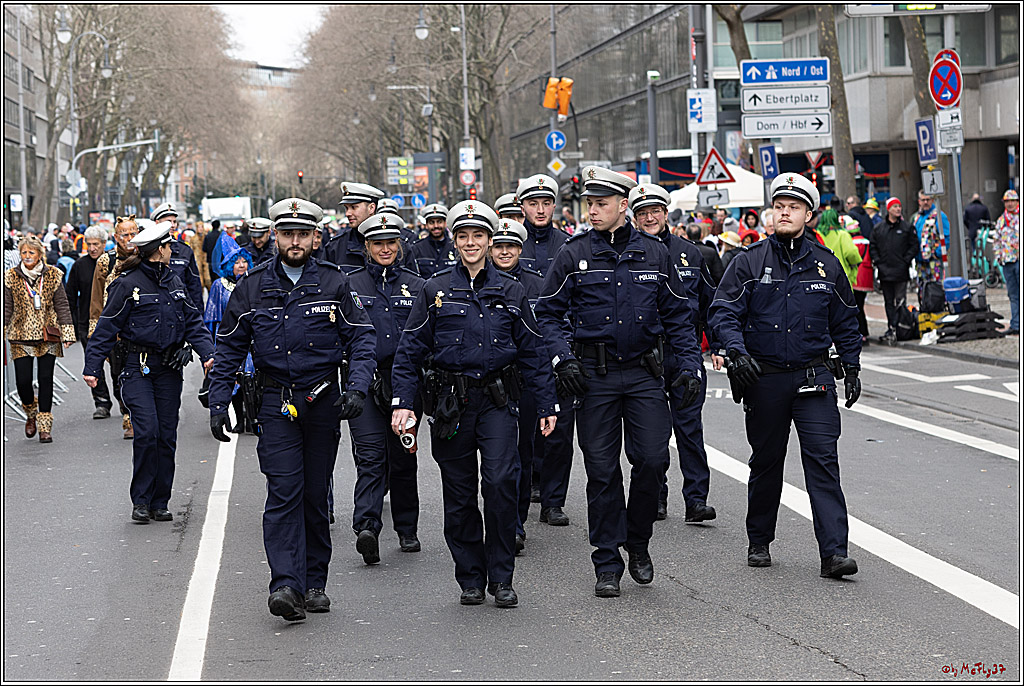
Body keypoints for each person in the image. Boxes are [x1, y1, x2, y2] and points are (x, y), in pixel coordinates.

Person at [534, 166, 701, 598]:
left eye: (601, 203)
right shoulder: (572, 254)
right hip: (594, 378)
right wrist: (563, 360)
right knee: (603, 472)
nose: (592, 210)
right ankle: (606, 560)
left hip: (644, 374)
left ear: (623, 206)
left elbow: (680, 315)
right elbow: (547, 314)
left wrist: (689, 366)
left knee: (651, 461)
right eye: (589, 203)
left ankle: (638, 541)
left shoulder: (654, 253)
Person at [208, 197, 376, 621]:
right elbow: (229, 347)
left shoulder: (335, 283)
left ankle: (314, 582)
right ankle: (285, 583)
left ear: (315, 237)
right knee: (284, 491)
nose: (295, 241)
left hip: (322, 401)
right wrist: (217, 400)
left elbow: (362, 339)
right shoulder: (252, 286)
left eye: (303, 234)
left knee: (315, 493)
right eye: (288, 234)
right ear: (277, 237)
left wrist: (356, 388)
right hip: (274, 402)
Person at [391, 200, 558, 609]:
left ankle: (501, 576)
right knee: (460, 493)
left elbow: (534, 352)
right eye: (463, 236)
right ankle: (470, 575)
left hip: (499, 402)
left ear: (490, 240)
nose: (471, 243)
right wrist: (404, 404)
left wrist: (548, 404)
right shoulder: (435, 291)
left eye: (478, 236)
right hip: (451, 404)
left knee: (501, 483)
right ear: (454, 240)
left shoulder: (512, 289)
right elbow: (410, 351)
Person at [708, 172, 862, 579]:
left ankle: (834, 553)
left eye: (793, 207)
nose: (784, 213)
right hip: (766, 378)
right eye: (779, 207)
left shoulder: (826, 266)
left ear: (808, 214)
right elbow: (722, 312)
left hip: (814, 377)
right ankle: (759, 539)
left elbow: (846, 320)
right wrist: (736, 353)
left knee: (823, 462)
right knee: (767, 462)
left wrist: (852, 364)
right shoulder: (750, 261)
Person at [83, 219, 215, 523]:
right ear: (159, 250)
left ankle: (160, 501)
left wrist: (207, 353)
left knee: (167, 436)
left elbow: (192, 321)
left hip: (168, 369)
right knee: (147, 432)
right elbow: (107, 326)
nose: (172, 250)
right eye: (168, 245)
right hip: (137, 368)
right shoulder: (126, 284)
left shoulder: (173, 280)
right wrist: (92, 367)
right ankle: (140, 499)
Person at [628, 184, 716, 523]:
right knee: (651, 432)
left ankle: (696, 500)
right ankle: (657, 497)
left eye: (655, 211)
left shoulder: (691, 253)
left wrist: (718, 345)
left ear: (666, 214)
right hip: (646, 355)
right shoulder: (630, 253)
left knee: (689, 429)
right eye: (642, 213)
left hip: (683, 351)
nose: (649, 217)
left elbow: (709, 302)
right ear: (633, 217)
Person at [342, 212, 427, 563]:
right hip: (364, 379)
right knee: (371, 457)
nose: (385, 249)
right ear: (367, 247)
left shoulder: (417, 285)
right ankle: (367, 527)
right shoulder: (349, 284)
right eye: (378, 243)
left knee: (403, 456)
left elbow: (427, 337)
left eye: (391, 242)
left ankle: (406, 529)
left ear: (400, 245)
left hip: (405, 381)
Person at [488, 218, 576, 552]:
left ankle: (516, 523)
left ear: (521, 249)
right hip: (491, 382)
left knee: (522, 455)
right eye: (499, 245)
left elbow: (556, 325)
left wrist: (560, 362)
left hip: (526, 380)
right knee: (499, 457)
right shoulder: (478, 282)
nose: (505, 251)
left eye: (511, 246)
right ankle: (500, 518)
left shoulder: (539, 285)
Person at [4, 235, 76, 443]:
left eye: (31, 253)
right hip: (20, 334)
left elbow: (62, 304)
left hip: (48, 333)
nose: (27, 256)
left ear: (40, 254)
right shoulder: (10, 276)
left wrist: (68, 333)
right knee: (23, 382)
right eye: (24, 252)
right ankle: (30, 412)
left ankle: (45, 426)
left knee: (45, 379)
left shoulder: (53, 275)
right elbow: (6, 306)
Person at [89, 216, 140, 439]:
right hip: (116, 331)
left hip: (143, 327)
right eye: (125, 235)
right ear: (116, 237)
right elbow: (97, 299)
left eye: (133, 233)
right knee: (119, 375)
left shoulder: (147, 256)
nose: (129, 239)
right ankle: (127, 413)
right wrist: (96, 330)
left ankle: (139, 417)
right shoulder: (105, 262)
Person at [203, 233, 256, 433]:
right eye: (237, 262)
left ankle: (253, 419)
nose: (241, 265)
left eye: (244, 261)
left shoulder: (253, 282)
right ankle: (239, 420)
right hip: (229, 338)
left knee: (250, 379)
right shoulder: (219, 286)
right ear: (228, 265)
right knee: (233, 380)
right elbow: (212, 317)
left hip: (251, 338)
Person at [66, 226, 113, 417]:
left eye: (96, 244)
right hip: (87, 321)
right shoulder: (80, 265)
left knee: (117, 365)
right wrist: (70, 323)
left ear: (104, 244)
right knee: (94, 362)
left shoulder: (113, 263)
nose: (92, 248)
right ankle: (101, 402)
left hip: (112, 320)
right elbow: (69, 294)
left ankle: (124, 401)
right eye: (89, 244)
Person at [869, 198, 919, 345]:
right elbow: (873, 246)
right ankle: (891, 327)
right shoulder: (879, 228)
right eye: (895, 206)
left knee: (900, 300)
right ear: (889, 209)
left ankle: (900, 326)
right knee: (888, 302)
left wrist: (906, 260)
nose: (898, 209)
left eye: (899, 206)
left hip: (901, 271)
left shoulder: (906, 227)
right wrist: (878, 262)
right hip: (885, 271)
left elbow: (914, 245)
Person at [515, 174, 571, 277]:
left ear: (553, 208)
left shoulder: (567, 244)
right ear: (523, 210)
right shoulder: (513, 244)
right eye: (533, 204)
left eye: (546, 204)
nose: (541, 211)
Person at [324, 182, 386, 272]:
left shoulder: (396, 247)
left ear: (371, 208)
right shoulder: (335, 247)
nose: (347, 213)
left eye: (354, 207)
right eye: (346, 208)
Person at [993, 190, 1019, 335]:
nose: (1010, 204)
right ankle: (1016, 325)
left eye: (1012, 201)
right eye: (1007, 201)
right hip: (1007, 262)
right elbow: (996, 240)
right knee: (1013, 295)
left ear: (1017, 202)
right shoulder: (1001, 220)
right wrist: (999, 257)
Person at [816, 209, 862, 291]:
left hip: (820, 277)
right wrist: (854, 263)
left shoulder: (816, 234)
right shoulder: (842, 235)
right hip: (841, 276)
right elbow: (852, 253)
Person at [912, 190, 950, 287]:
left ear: (932, 200)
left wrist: (937, 253)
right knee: (923, 288)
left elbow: (946, 237)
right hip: (920, 261)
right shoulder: (917, 217)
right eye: (923, 200)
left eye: (928, 200)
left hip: (934, 261)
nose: (925, 202)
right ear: (919, 201)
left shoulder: (939, 216)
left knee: (936, 288)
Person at [846, 214, 874, 345]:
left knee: (855, 307)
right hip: (866, 277)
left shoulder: (850, 243)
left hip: (856, 277)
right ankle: (865, 333)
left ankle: (859, 333)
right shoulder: (867, 242)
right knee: (861, 306)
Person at [409, 203, 456, 277]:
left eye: (439, 222)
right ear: (426, 225)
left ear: (445, 223)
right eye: (431, 222)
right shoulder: (417, 248)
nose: (436, 226)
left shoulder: (455, 247)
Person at [963, 193, 992, 260]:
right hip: (982, 232)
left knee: (973, 248)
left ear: (972, 199)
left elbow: (964, 220)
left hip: (972, 231)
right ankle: (981, 262)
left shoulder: (968, 208)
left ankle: (974, 261)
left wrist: (969, 226)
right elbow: (988, 220)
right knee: (982, 247)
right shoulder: (984, 208)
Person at [202, 218, 222, 284]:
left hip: (211, 261)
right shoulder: (221, 236)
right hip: (220, 261)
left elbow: (204, 249)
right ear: (219, 226)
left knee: (213, 280)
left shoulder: (208, 236)